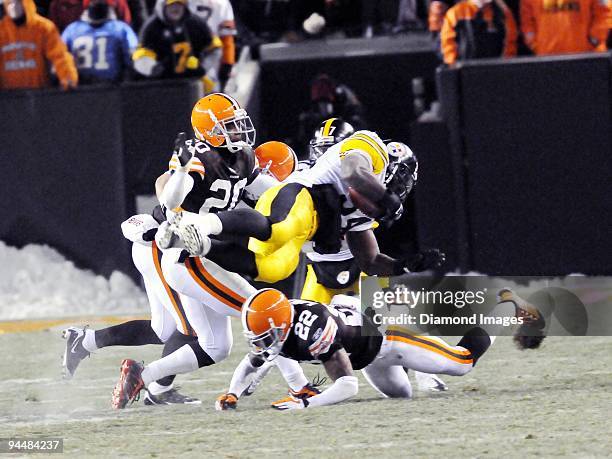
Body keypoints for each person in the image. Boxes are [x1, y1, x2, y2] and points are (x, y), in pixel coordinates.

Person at [111, 93, 314, 409]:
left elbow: (267, 192)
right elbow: (169, 201)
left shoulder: (244, 157)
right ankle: (300, 387)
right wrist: (179, 171)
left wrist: (301, 189)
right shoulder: (200, 155)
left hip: (207, 254)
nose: (239, 132)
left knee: (216, 346)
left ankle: (142, 375)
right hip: (189, 257)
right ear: (210, 130)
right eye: (230, 126)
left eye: (238, 124)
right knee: (263, 310)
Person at [171, 128, 445, 284]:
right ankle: (198, 224)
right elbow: (352, 172)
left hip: (307, 229)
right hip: (300, 197)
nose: (401, 187)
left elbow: (369, 262)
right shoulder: (372, 148)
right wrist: (386, 198)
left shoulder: (365, 210)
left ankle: (200, 246)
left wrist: (405, 266)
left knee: (273, 270)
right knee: (279, 229)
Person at [222, 287, 544, 409]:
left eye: (266, 336)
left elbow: (347, 386)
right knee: (402, 399)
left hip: (388, 336)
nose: (262, 343)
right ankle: (421, 367)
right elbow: (254, 361)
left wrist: (308, 404)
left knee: (462, 363)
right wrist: (232, 393)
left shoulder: (313, 329)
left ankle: (505, 306)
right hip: (367, 351)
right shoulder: (284, 321)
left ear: (282, 326)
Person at [62, 206, 202, 405]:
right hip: (162, 246)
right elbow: (164, 184)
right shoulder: (193, 176)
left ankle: (86, 341)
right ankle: (158, 390)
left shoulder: (245, 181)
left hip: (160, 246)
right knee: (189, 328)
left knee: (164, 330)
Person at [0, 0, 78, 89]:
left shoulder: (44, 28)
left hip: (39, 94)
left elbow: (59, 56)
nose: (13, 6)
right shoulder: (1, 30)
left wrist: (68, 77)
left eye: (18, 2)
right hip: (8, 97)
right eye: (9, 3)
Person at [132, 0, 213, 79]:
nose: (176, 8)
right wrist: (151, 67)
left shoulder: (196, 23)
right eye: (172, 4)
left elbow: (214, 48)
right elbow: (140, 56)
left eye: (179, 4)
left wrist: (204, 67)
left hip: (192, 82)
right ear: (163, 6)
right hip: (163, 84)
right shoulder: (152, 27)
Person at [62, 0, 138, 84]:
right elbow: (133, 54)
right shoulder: (121, 28)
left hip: (84, 88)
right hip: (112, 87)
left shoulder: (72, 29)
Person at [440, 0, 518, 65]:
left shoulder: (503, 13)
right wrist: (455, 67)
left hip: (496, 70)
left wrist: (504, 65)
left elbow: (510, 42)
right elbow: (448, 45)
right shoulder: (456, 13)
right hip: (465, 71)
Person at [520, 0, 609, 55]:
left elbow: (604, 13)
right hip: (547, 59)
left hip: (588, 58)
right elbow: (527, 23)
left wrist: (594, 40)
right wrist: (537, 46)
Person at [188, 0, 235, 90]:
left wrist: (227, 64)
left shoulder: (221, 3)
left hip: (210, 54)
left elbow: (226, 38)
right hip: (181, 54)